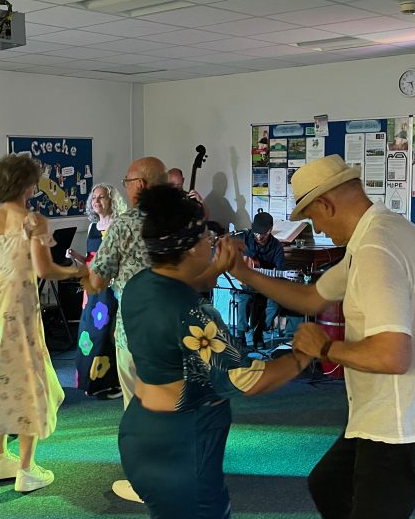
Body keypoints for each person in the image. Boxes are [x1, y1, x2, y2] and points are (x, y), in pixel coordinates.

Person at [227, 155, 415, 519]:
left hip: (401, 422)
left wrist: (324, 348)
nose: (317, 228)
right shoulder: (385, 231)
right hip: (398, 410)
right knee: (329, 485)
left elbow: (392, 355)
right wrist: (245, 274)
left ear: (326, 204)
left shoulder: (375, 248)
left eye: (313, 218)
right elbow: (312, 297)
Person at [119, 184, 321, 518]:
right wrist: (302, 354)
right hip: (181, 448)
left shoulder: (140, 284)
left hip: (141, 433)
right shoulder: (195, 314)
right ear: (190, 249)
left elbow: (178, 291)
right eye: (207, 239)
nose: (211, 245)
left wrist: (221, 267)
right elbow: (248, 380)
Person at [0, 153, 90, 493]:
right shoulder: (32, 221)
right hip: (19, 305)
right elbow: (45, 270)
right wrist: (78, 271)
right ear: (26, 185)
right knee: (28, 376)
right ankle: (26, 469)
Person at [87, 156, 168, 502]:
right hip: (175, 328)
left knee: (138, 405)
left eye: (128, 181)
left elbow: (97, 280)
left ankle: (146, 481)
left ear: (141, 185)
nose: (126, 187)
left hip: (135, 330)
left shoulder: (125, 225)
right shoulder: (183, 221)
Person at [68, 183, 127, 399]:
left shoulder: (119, 225)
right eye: (94, 198)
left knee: (106, 333)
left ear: (112, 200)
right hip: (92, 288)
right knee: (88, 332)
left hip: (110, 288)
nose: (96, 201)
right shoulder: (93, 226)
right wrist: (76, 256)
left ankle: (112, 382)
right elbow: (90, 260)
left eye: (102, 197)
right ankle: (90, 381)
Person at [234, 212, 285, 348]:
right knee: (244, 299)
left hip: (265, 284)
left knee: (274, 304)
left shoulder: (276, 246)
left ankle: (259, 332)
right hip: (245, 284)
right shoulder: (244, 238)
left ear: (270, 230)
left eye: (263, 234)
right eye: (256, 233)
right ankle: (240, 336)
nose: (259, 237)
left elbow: (281, 271)